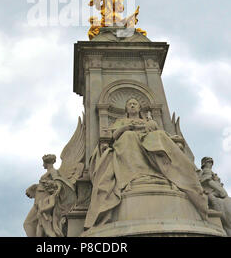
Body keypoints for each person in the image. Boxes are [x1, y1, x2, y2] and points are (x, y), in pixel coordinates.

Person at [84, 98, 207, 230]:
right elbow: (114, 136)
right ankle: (135, 177)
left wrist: (149, 126)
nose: (132, 105)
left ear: (139, 108)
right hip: (128, 140)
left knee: (159, 136)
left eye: (135, 104)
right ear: (126, 109)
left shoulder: (148, 121)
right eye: (129, 104)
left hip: (147, 139)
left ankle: (164, 174)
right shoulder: (120, 121)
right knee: (128, 137)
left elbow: (156, 130)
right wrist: (127, 127)